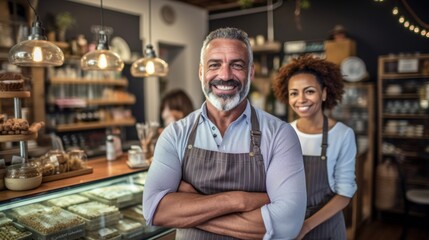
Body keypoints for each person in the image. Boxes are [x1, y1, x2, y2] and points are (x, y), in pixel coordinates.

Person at [143, 27, 306, 239]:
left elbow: (287, 224)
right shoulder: (175, 134)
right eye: (215, 65)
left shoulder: (280, 135)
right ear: (201, 72)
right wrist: (238, 201)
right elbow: (154, 210)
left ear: (251, 72)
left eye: (237, 65)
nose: (225, 75)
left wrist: (190, 208)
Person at [272, 55, 357, 239]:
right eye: (294, 93)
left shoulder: (343, 135)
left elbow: (345, 194)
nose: (301, 99)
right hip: (291, 225)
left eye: (309, 91)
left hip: (327, 225)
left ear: (324, 93)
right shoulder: (284, 132)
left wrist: (306, 226)